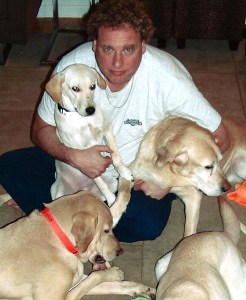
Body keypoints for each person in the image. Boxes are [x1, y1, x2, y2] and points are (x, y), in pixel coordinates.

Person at [0, 0, 230, 242]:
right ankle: (79, 212)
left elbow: (222, 138)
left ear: (143, 46)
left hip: (135, 174)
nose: (117, 63)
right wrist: (72, 156)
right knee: (8, 166)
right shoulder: (72, 68)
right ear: (94, 45)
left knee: (147, 225)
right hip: (76, 158)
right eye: (108, 49)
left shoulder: (169, 80)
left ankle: (62, 212)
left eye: (128, 49)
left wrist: (168, 183)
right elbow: (40, 130)